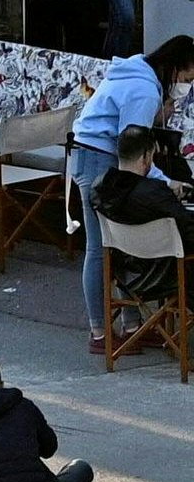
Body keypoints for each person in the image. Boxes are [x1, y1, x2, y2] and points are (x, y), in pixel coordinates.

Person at [72, 35, 194, 348]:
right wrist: (165, 182)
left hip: (91, 154)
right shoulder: (144, 91)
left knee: (121, 241)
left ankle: (132, 327)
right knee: (102, 246)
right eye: (187, 78)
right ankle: (100, 332)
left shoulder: (137, 72)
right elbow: (134, 149)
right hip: (101, 159)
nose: (186, 86)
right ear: (174, 68)